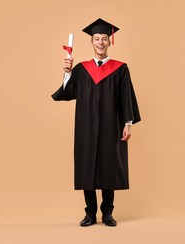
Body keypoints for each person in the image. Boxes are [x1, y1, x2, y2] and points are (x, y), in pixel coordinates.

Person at [52, 18, 141, 227]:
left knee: (108, 166)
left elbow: (126, 97)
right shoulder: (82, 70)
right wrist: (67, 73)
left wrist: (127, 123)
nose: (100, 42)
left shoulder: (120, 69)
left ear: (109, 42)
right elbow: (68, 92)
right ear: (91, 43)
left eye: (104, 39)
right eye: (96, 39)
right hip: (86, 126)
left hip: (112, 125)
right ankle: (90, 213)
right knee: (87, 165)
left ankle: (108, 213)